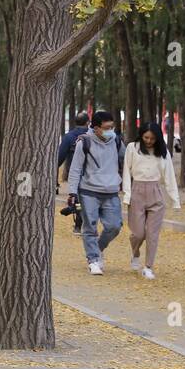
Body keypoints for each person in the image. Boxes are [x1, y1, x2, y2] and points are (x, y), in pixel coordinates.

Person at [66, 110, 125, 275]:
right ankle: (93, 260)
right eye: (107, 128)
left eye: (112, 127)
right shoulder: (84, 142)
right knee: (90, 227)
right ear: (96, 128)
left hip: (111, 190)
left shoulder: (117, 141)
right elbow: (75, 169)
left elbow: (127, 159)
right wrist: (72, 192)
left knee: (114, 226)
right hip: (88, 191)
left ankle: (98, 249)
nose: (110, 131)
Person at [123, 124, 180, 280]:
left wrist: (175, 199)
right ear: (141, 136)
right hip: (137, 191)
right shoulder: (132, 148)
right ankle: (135, 253)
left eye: (152, 138)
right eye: (146, 137)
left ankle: (148, 267)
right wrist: (127, 195)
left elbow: (169, 175)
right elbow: (126, 172)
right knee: (137, 233)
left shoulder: (163, 152)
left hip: (156, 192)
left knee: (152, 234)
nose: (149, 141)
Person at [58, 113, 91, 233]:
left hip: (74, 172)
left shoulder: (68, 137)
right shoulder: (92, 136)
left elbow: (60, 156)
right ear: (88, 122)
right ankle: (79, 221)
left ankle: (77, 222)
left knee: (78, 199)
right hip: (91, 173)